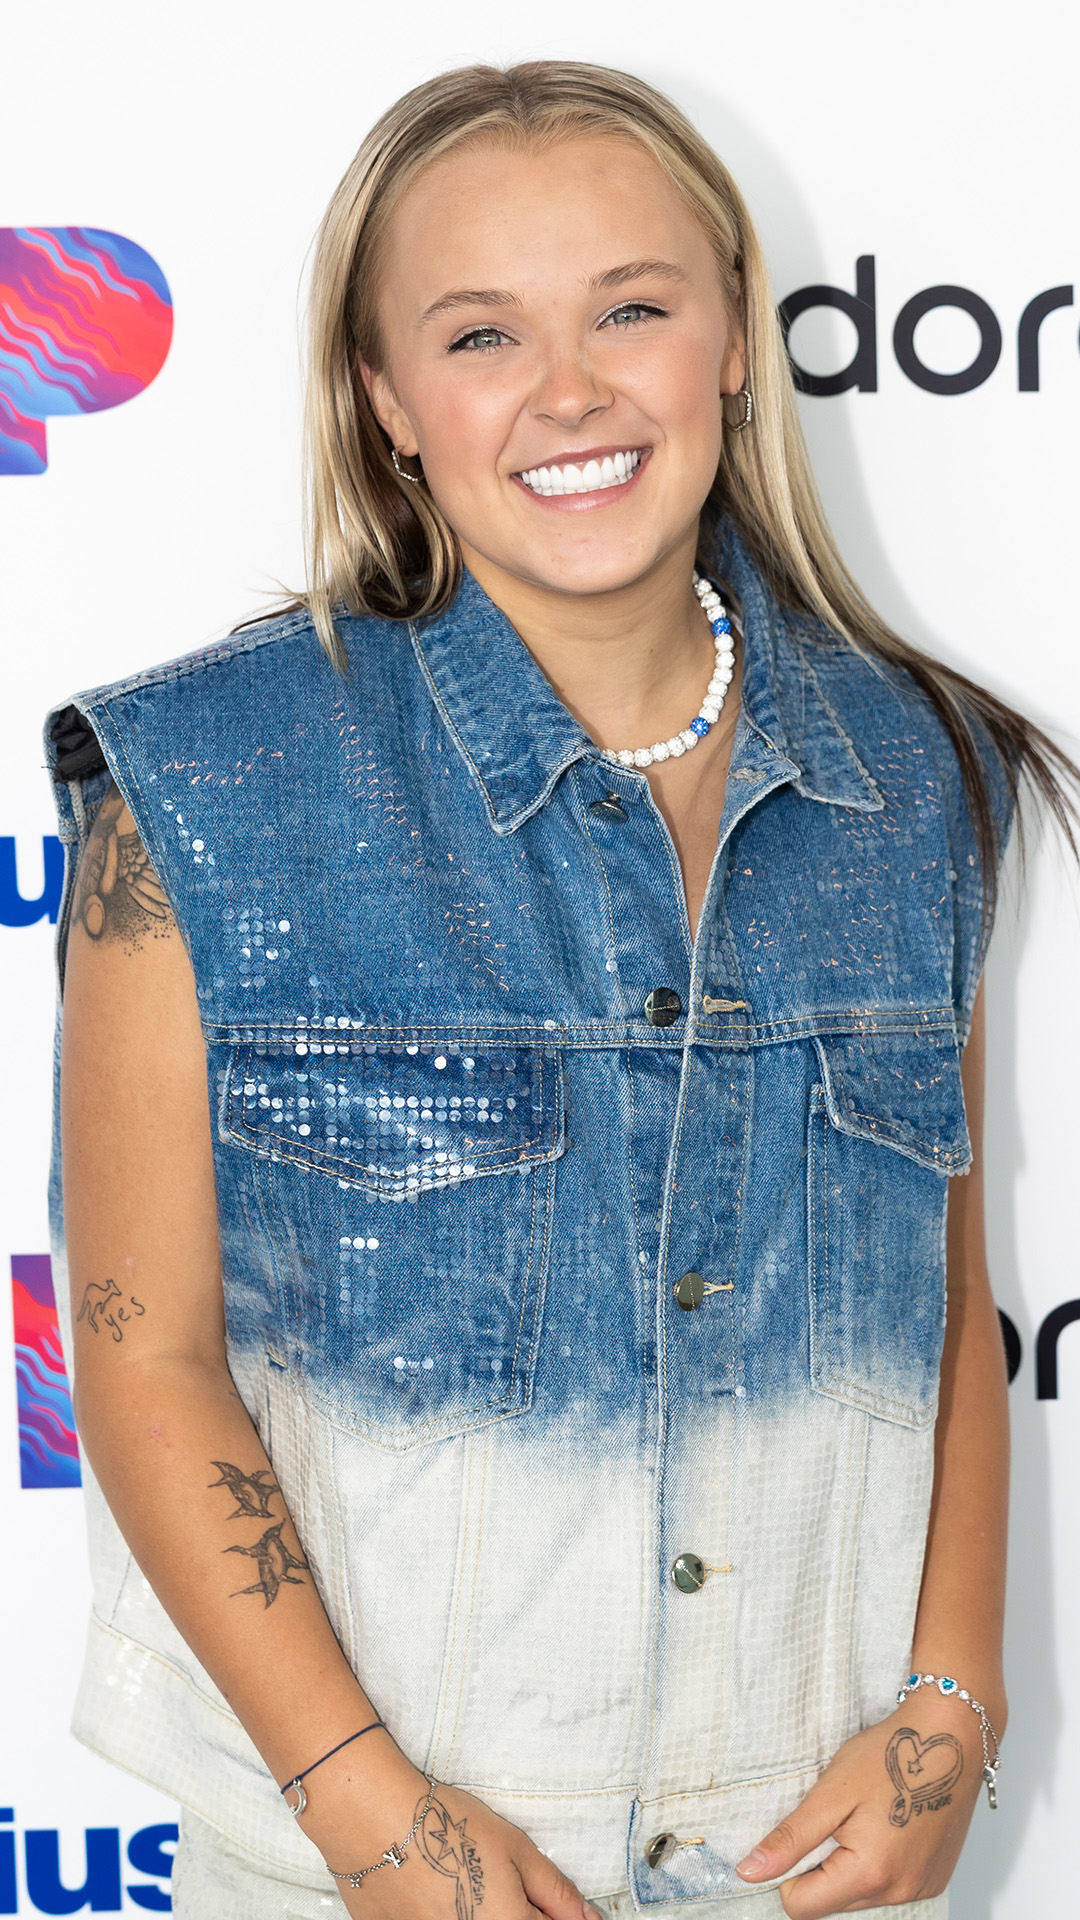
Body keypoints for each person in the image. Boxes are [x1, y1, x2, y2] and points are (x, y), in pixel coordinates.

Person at [47, 59, 1075, 1920]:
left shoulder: (915, 770)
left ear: (734, 339)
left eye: (630, 309)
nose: (571, 392)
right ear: (386, 399)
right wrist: (372, 1817)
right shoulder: (204, 790)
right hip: (357, 1871)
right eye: (480, 334)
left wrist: (954, 1701)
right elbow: (141, 1354)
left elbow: (942, 1305)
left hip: (805, 1857)